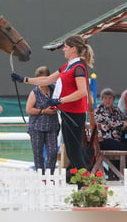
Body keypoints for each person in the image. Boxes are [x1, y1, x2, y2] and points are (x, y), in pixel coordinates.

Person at [11, 34, 94, 181]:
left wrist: (59, 100)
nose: (63, 50)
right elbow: (47, 79)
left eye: (66, 47)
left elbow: (82, 92)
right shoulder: (66, 67)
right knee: (71, 150)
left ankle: (85, 182)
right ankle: (83, 182)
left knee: (75, 151)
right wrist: (24, 79)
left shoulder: (79, 67)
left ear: (73, 49)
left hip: (75, 113)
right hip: (67, 113)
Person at [26, 66, 60, 175]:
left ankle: (50, 175)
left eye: (44, 79)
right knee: (38, 153)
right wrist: (44, 111)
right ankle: (41, 176)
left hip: (52, 126)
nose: (42, 82)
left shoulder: (55, 89)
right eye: (39, 79)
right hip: (37, 127)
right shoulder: (34, 92)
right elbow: (29, 109)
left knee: (53, 152)